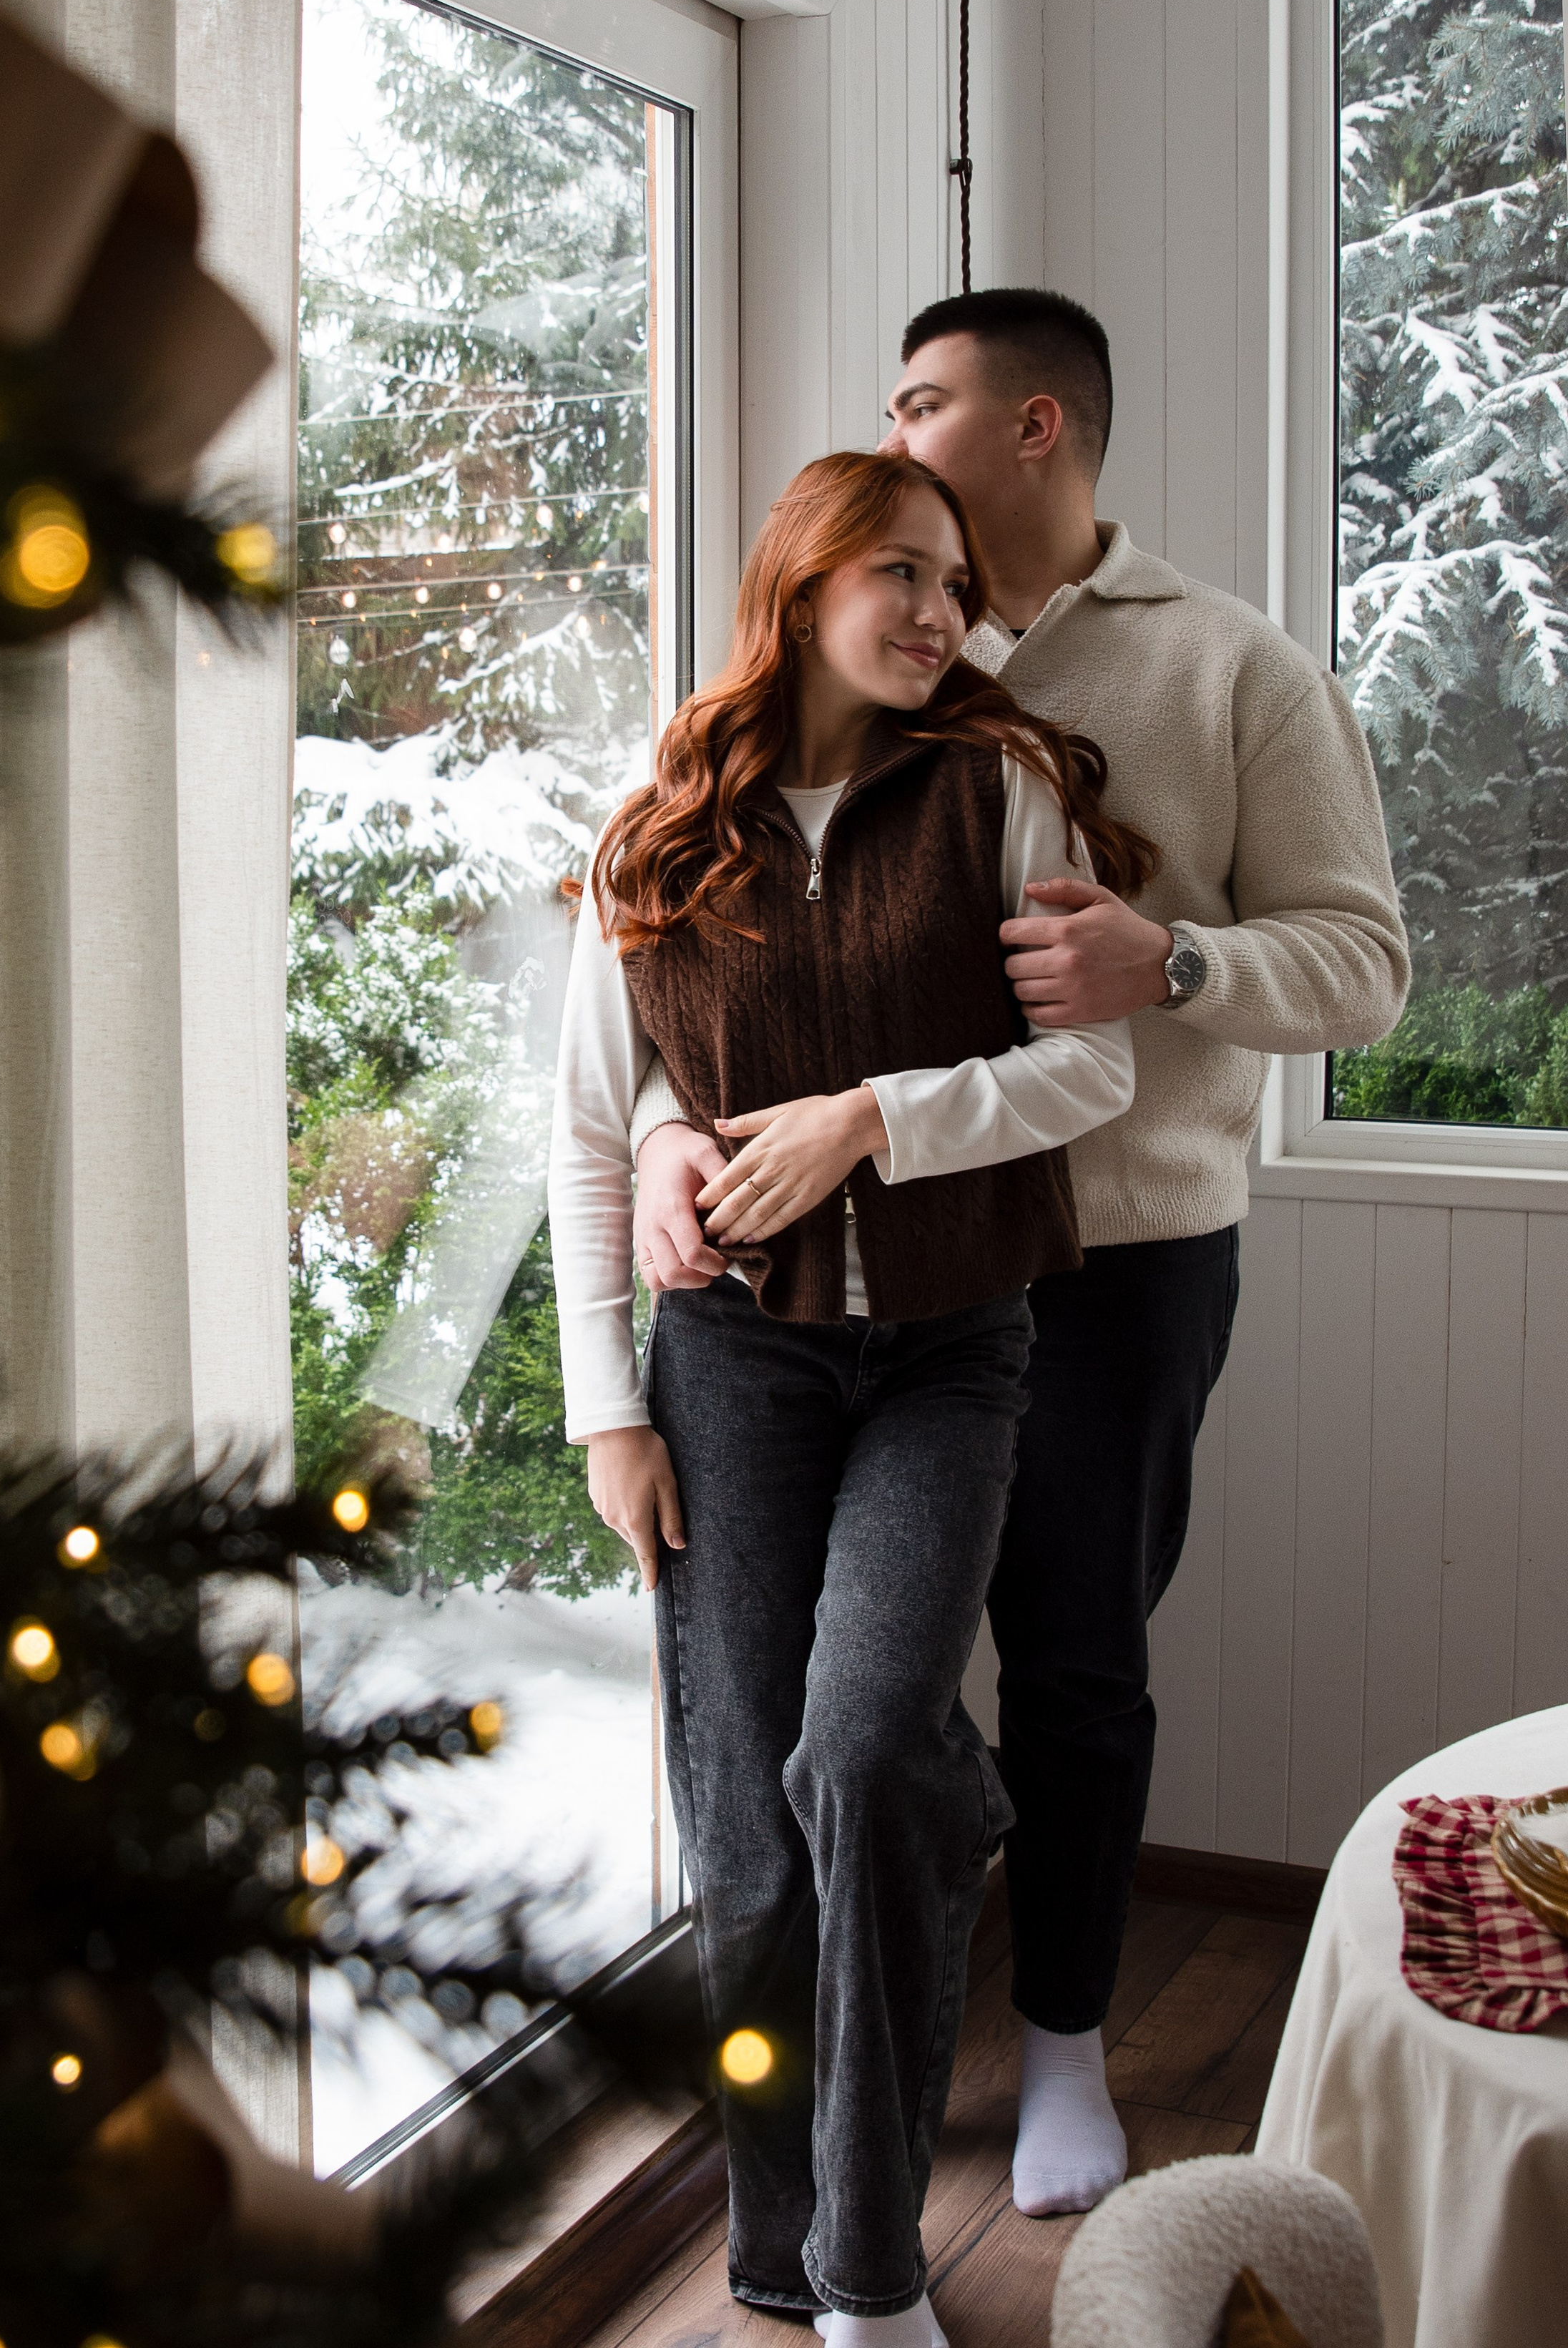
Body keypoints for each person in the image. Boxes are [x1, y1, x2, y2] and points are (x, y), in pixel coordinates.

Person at [629, 290, 1410, 2224]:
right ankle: (907, 1936)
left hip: (1125, 1258)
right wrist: (662, 1134)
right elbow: (698, 982)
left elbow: (1372, 967)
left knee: (1076, 1656)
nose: (892, 424)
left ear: (1038, 426)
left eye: (924, 399)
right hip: (855, 1281)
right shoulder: (885, 654)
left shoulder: (1231, 670)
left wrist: (1182, 967)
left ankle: (1063, 2039)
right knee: (855, 1687)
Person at [548, 449, 1150, 2345]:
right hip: (727, 1366)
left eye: (957, 583)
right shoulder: (663, 819)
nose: (936, 611)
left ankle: (878, 2282)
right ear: (799, 579)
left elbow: (1092, 1082)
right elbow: (592, 1120)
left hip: (952, 1353)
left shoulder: (1009, 786)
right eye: (898, 570)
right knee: (745, 1830)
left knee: (870, 1749)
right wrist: (605, 1412)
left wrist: (878, 1119)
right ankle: (781, 2263)